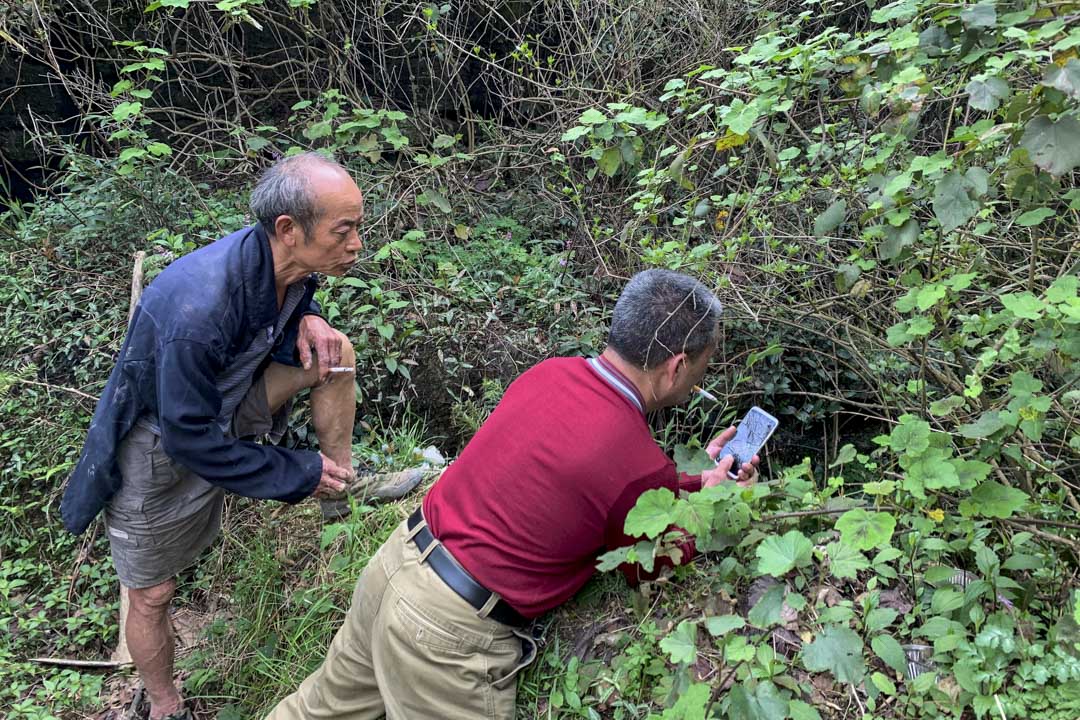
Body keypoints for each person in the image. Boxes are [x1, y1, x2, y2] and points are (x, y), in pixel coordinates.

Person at [266, 269, 760, 720]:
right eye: (703, 367)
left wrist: (703, 484)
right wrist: (726, 506)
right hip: (447, 635)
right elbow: (648, 559)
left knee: (317, 711)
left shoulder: (552, 374)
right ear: (676, 367)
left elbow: (587, 484)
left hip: (397, 563)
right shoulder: (634, 461)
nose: (699, 380)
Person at [60, 152, 405, 720]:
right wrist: (297, 473)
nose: (357, 245)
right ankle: (166, 705)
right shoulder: (198, 308)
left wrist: (307, 319)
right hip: (162, 442)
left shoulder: (279, 263)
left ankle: (342, 486)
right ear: (288, 230)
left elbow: (295, 299)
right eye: (343, 231)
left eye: (358, 228)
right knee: (151, 594)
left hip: (224, 400)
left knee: (333, 351)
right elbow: (188, 439)